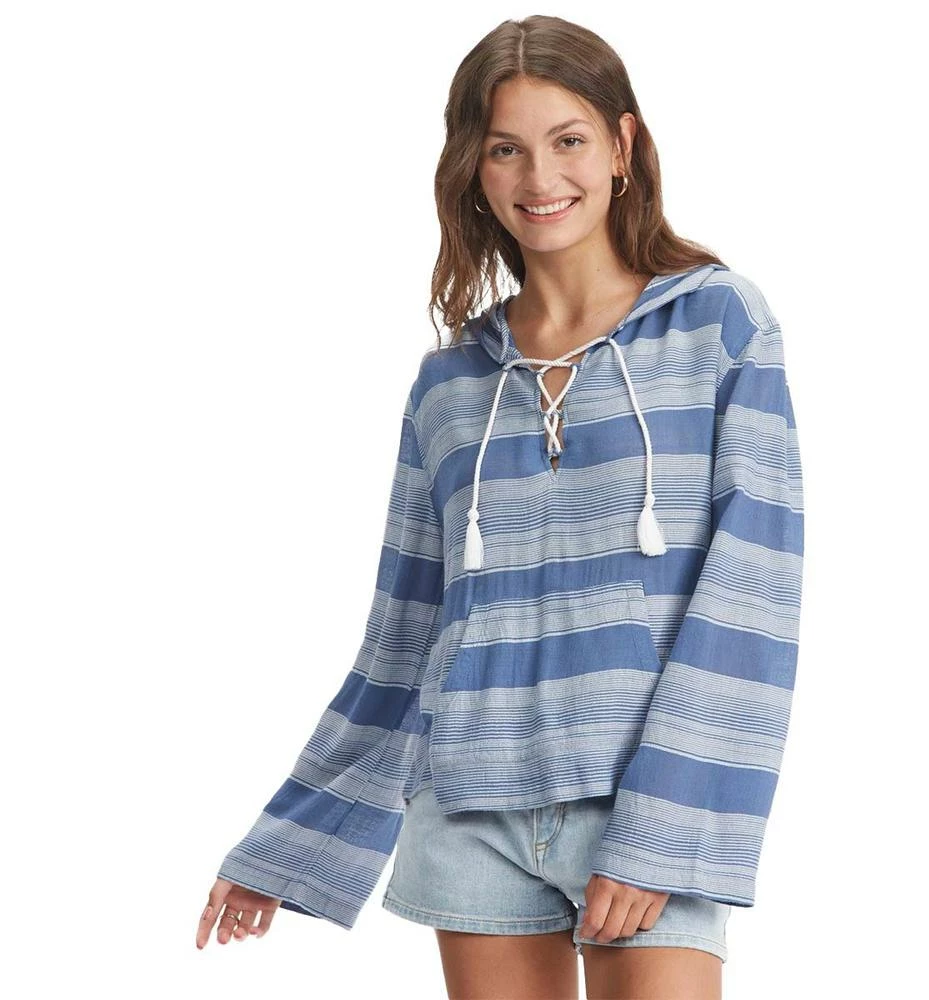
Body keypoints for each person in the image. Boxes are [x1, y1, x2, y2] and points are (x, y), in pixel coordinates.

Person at [195, 14, 804, 1000]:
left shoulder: (718, 325)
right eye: (505, 149)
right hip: (470, 808)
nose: (539, 176)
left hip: (641, 796)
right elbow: (404, 636)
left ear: (622, 146)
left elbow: (754, 591)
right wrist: (289, 840)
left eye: (568, 140)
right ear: (472, 170)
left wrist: (665, 826)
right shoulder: (448, 385)